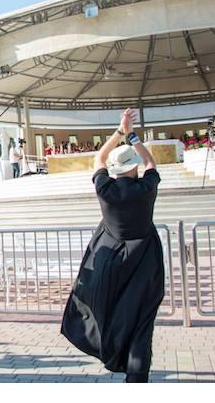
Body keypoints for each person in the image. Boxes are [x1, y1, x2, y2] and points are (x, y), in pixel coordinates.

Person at [62, 107, 164, 383]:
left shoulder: (104, 189)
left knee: (115, 312)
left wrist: (120, 130)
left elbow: (99, 158)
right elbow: (151, 163)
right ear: (133, 167)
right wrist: (133, 139)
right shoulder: (147, 189)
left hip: (112, 263)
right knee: (142, 320)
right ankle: (137, 375)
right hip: (145, 262)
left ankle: (111, 352)